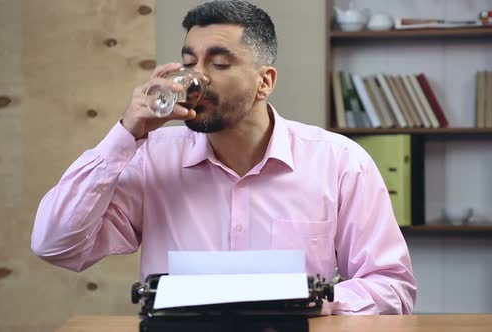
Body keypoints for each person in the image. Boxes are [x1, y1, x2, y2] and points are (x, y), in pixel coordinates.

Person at [31, 0, 416, 315]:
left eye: (218, 64)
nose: (197, 78)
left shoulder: (339, 162)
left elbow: (392, 286)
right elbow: (56, 245)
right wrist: (124, 135)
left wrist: (323, 302)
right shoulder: (151, 158)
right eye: (189, 63)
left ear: (265, 81)